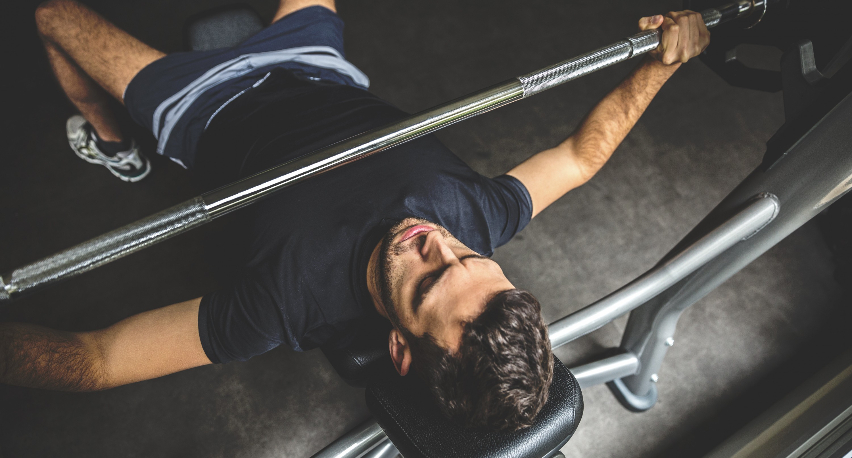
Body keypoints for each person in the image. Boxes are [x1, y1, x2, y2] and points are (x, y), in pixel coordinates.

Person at [1, 0, 709, 431]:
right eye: (470, 258)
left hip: (204, 103)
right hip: (315, 65)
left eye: (428, 280)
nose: (433, 242)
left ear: (400, 347)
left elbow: (95, 360)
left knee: (50, 17)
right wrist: (664, 61)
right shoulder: (482, 217)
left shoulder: (282, 307)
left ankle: (114, 141)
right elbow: (583, 157)